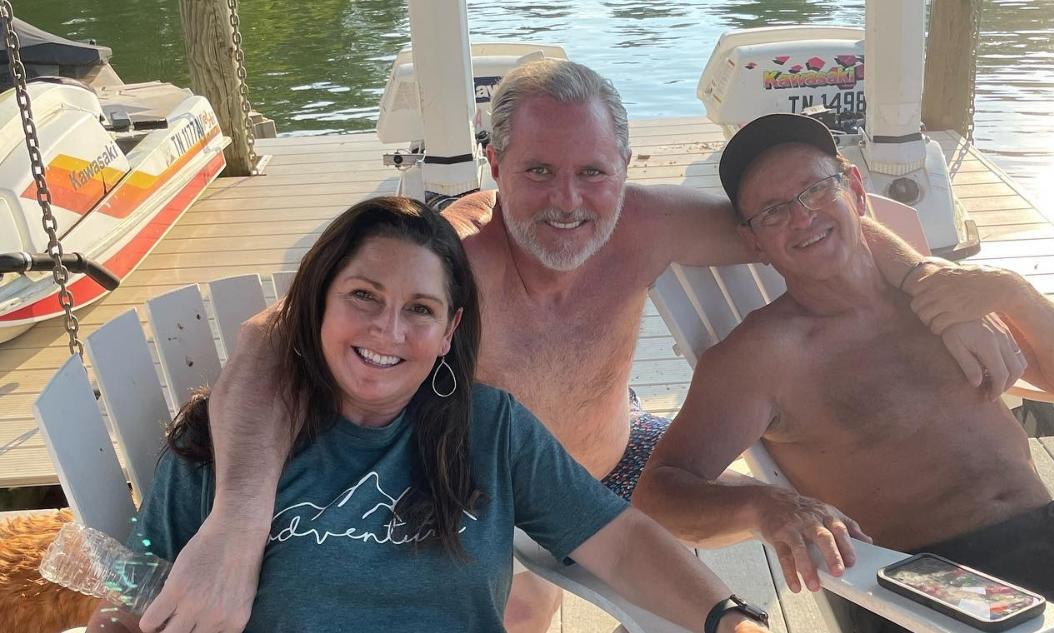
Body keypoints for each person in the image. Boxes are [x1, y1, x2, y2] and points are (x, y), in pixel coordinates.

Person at [141, 60, 1024, 633]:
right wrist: (240, 521)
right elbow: (272, 340)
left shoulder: (648, 224)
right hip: (487, 487)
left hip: (618, 461)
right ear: (495, 164)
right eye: (539, 172)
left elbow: (806, 218)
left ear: (624, 168)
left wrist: (927, 285)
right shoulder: (450, 265)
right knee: (514, 597)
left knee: (743, 499)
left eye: (593, 172)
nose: (569, 200)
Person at [85, 197, 777, 633]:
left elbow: (619, 539)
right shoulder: (223, 444)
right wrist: (117, 617)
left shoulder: (489, 428)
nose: (389, 330)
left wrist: (727, 618)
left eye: (420, 309)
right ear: (318, 303)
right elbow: (135, 583)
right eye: (363, 295)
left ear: (449, 332)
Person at [633, 113, 1054, 633]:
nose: (803, 216)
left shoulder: (945, 297)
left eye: (814, 189)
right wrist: (764, 506)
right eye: (774, 211)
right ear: (753, 240)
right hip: (944, 585)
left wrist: (1010, 291)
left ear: (854, 190)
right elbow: (660, 491)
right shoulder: (760, 356)